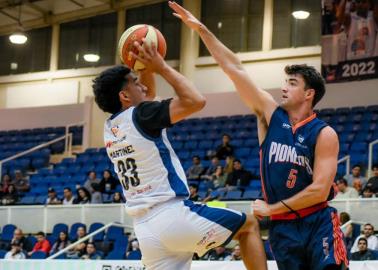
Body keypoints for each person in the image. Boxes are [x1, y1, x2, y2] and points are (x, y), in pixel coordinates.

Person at [168, 2, 348, 269]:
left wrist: (270, 209)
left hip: (317, 221)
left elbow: (320, 191)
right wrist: (203, 30)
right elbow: (235, 69)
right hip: (283, 230)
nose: (283, 87)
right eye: (285, 81)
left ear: (309, 94)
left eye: (292, 83)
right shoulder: (269, 114)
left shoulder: (324, 133)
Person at [93, 32, 266, 269]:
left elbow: (148, 95)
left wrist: (144, 65)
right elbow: (195, 100)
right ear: (124, 95)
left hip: (145, 229)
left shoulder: (111, 126)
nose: (141, 85)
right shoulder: (141, 115)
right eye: (134, 82)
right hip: (172, 215)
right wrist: (161, 66)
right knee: (248, 226)